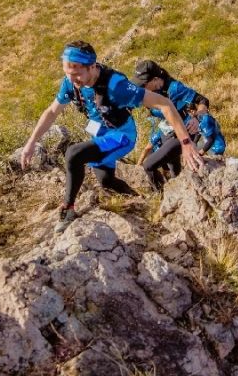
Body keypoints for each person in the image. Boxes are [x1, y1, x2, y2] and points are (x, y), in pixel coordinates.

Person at [20, 41, 203, 233]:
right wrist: (31, 142)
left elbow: (165, 104)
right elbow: (51, 111)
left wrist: (186, 142)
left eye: (76, 74)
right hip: (101, 133)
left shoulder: (117, 86)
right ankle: (141, 200)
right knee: (106, 181)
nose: (71, 79)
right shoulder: (71, 82)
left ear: (92, 66)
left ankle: (68, 210)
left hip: (122, 136)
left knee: (74, 154)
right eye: (67, 73)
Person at [132, 60, 208, 189]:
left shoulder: (174, 88)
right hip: (166, 131)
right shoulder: (147, 93)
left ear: (156, 79)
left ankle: (161, 198)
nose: (140, 88)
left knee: (148, 165)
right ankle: (178, 195)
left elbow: (202, 100)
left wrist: (197, 117)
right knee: (173, 169)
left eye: (143, 84)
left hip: (184, 132)